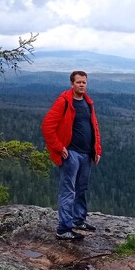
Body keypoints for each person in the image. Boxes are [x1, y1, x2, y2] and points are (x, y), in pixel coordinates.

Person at [41, 71, 102, 240]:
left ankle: (78, 220)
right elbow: (47, 125)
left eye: (84, 82)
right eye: (79, 82)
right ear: (71, 84)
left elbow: (94, 126)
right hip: (71, 154)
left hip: (86, 154)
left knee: (81, 189)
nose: (82, 85)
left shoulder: (88, 103)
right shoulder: (64, 102)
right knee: (68, 191)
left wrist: (96, 149)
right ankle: (63, 229)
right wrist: (58, 147)